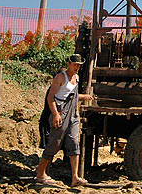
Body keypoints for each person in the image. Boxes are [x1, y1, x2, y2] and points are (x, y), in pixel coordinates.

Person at [35, 54, 93, 187]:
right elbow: (51, 98)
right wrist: (55, 114)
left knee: (73, 143)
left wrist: (85, 97)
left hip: (73, 113)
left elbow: (73, 96)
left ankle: (75, 177)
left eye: (79, 65)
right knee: (54, 143)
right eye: (75, 65)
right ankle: (40, 173)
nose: (77, 67)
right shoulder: (60, 77)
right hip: (61, 112)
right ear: (69, 64)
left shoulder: (77, 78)